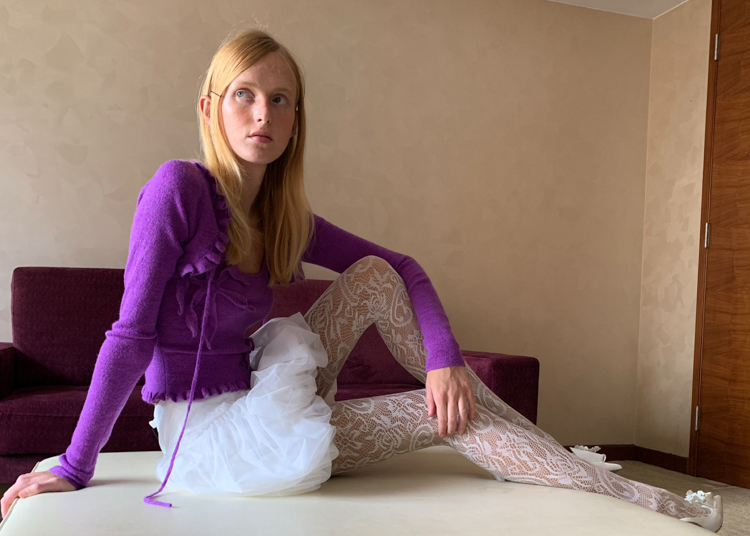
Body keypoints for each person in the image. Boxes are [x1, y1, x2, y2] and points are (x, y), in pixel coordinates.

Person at [1, 29, 721, 531]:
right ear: (209, 107)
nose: (263, 113)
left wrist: (445, 359)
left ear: (296, 119)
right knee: (445, 417)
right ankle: (650, 502)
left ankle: (544, 456)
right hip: (217, 440)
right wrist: (74, 464)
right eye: (244, 94)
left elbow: (402, 268)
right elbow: (129, 336)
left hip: (263, 388)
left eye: (281, 99)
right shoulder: (177, 190)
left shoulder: (282, 215)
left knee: (377, 279)